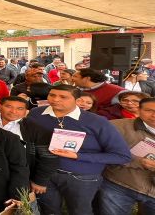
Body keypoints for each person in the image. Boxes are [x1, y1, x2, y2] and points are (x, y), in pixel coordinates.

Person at [28, 85, 132, 215]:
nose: (55, 99)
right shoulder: (36, 114)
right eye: (52, 95)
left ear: (77, 100)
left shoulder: (97, 121)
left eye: (63, 97)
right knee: (49, 210)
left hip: (82, 177)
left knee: (80, 211)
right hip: (44, 174)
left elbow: (122, 156)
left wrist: (78, 156)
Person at [99, 97, 155, 214]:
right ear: (138, 110)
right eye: (149, 110)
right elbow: (100, 152)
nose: (154, 115)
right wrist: (137, 161)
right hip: (120, 184)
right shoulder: (115, 127)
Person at [0, 96, 59, 196]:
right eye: (8, 106)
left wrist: (40, 181)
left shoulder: (35, 129)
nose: (13, 111)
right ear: (0, 107)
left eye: (19, 108)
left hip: (20, 175)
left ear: (26, 111)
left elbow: (48, 156)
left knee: (21, 205)